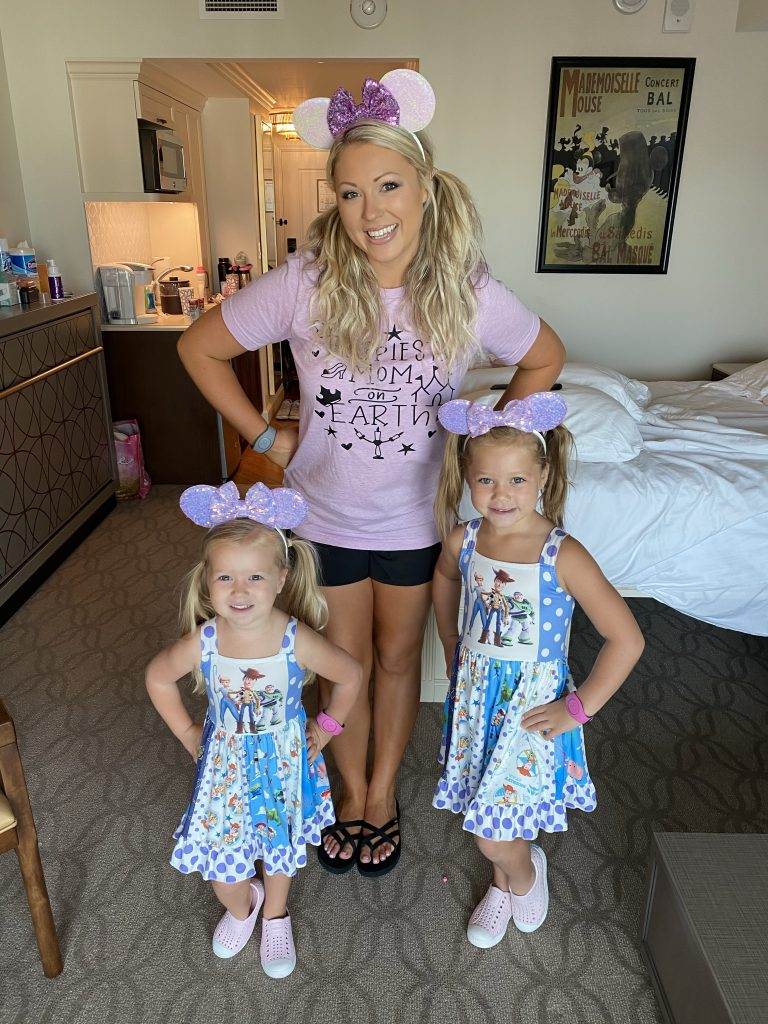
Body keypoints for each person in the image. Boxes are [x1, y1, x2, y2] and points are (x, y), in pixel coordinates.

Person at [177, 69, 566, 876]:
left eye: (388, 186)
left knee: (398, 663)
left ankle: (381, 793)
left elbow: (544, 357)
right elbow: (198, 347)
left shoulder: (466, 293)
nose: (371, 211)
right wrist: (264, 435)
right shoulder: (304, 285)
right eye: (350, 194)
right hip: (320, 521)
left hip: (418, 524)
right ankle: (346, 790)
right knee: (343, 667)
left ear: (425, 188)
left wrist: (483, 442)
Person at [431, 394, 644, 946]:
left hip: (530, 709)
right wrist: (453, 641)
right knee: (495, 802)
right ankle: (503, 883)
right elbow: (446, 580)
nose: (500, 496)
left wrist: (579, 708)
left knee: (493, 833)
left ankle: (522, 877)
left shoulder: (562, 553)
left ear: (544, 476)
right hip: (478, 698)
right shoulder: (466, 538)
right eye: (485, 481)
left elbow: (627, 638)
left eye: (517, 481)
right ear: (467, 478)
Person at [145, 482, 363, 977]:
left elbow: (350, 675)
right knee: (224, 866)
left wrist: (327, 727)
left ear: (282, 578)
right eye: (225, 577)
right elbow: (158, 677)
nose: (239, 591)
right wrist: (186, 733)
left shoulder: (292, 637)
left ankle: (276, 913)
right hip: (224, 762)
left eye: (255, 577)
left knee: (279, 843)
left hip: (284, 760)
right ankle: (243, 904)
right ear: (206, 582)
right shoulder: (206, 638)